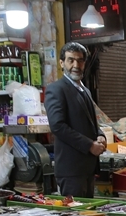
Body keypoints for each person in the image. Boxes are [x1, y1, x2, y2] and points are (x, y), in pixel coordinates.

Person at [45, 42, 106, 197]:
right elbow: (58, 126)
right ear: (62, 63)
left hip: (87, 168)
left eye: (80, 60)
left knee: (88, 211)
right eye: (71, 60)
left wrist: (100, 136)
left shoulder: (85, 91)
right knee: (75, 211)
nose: (76, 65)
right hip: (71, 170)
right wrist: (89, 145)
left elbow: (90, 122)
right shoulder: (56, 89)